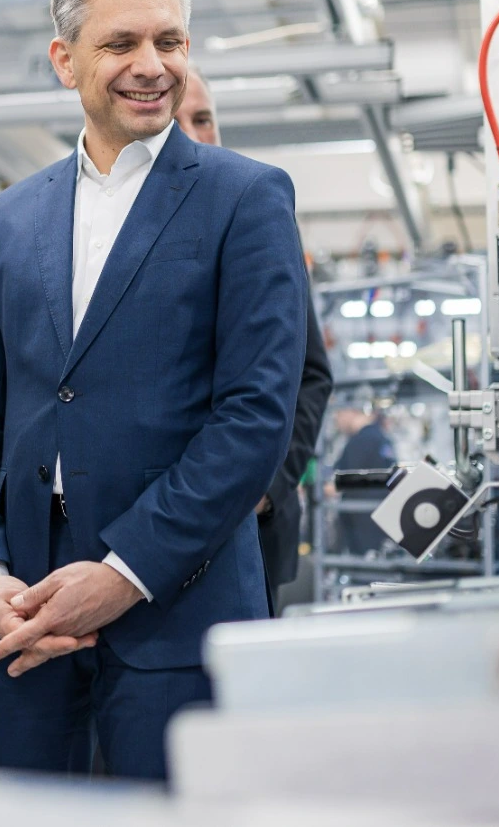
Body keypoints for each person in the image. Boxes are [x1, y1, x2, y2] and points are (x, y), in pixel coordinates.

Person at [0, 0, 307, 780]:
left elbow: (253, 418)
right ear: (66, 60)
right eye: (122, 44)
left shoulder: (245, 198)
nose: (153, 66)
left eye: (170, 43)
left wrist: (123, 572)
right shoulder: (9, 217)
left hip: (180, 606)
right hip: (23, 619)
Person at [175, 72, 332, 611]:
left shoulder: (258, 220)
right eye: (177, 122)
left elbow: (310, 375)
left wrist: (264, 487)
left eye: (203, 118)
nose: (194, 134)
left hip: (251, 526)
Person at [330, 399, 397, 556]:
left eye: (338, 414)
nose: (337, 421)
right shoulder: (380, 436)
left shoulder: (360, 441)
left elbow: (339, 483)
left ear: (350, 412)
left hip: (363, 522)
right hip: (381, 518)